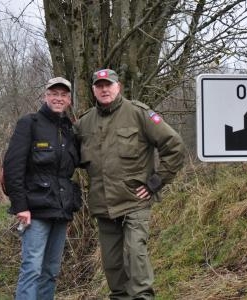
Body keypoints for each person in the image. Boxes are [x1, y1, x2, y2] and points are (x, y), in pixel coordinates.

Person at [74, 68, 185, 299]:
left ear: (118, 86)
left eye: (109, 85)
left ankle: (143, 297)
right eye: (99, 86)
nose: (104, 89)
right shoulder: (84, 123)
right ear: (94, 90)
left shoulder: (138, 113)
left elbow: (173, 145)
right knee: (112, 263)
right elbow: (64, 157)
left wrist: (156, 182)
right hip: (103, 204)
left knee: (136, 254)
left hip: (135, 200)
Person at [3, 77, 81, 300]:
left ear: (69, 100)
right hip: (34, 211)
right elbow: (12, 167)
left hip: (61, 210)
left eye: (63, 95)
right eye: (53, 93)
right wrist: (20, 206)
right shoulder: (30, 123)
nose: (58, 98)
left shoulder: (69, 129)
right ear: (45, 96)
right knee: (32, 270)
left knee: (51, 272)